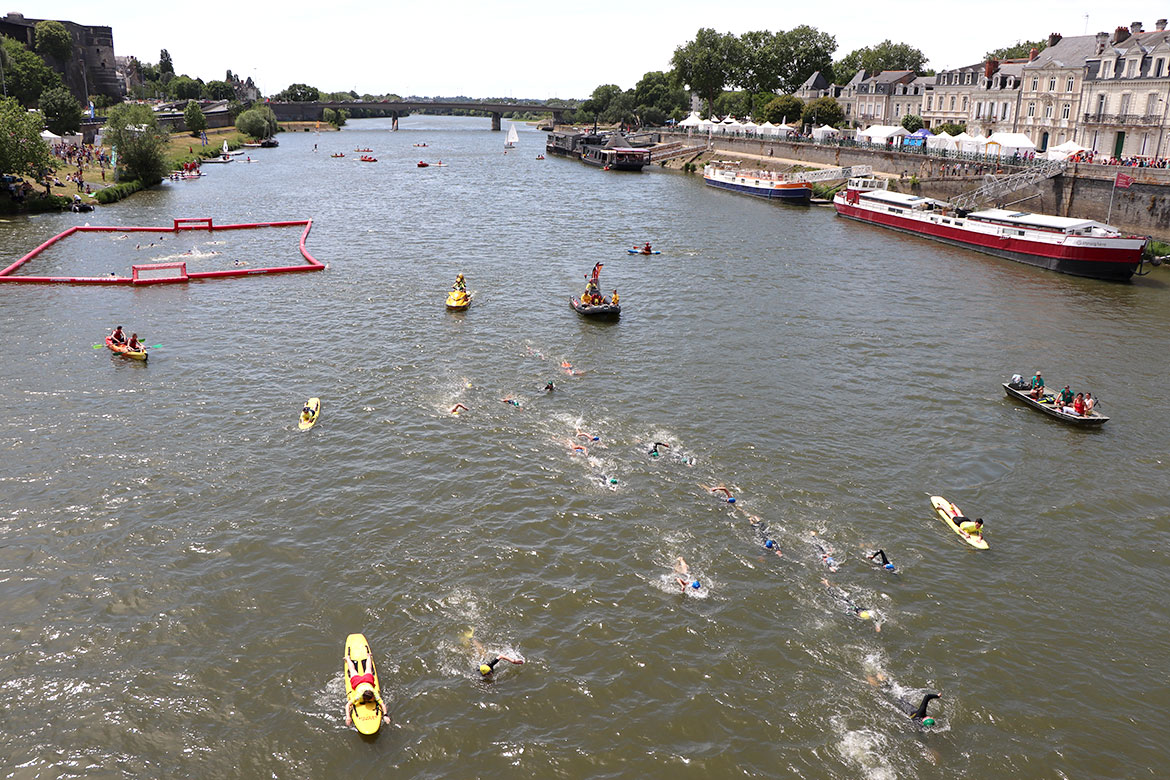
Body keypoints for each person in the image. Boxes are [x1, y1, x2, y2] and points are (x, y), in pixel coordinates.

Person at [344, 655, 391, 727]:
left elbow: (383, 705)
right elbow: (347, 705)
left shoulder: (374, 694)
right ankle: (368, 656)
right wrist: (348, 717)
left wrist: (385, 715)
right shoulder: (359, 696)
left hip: (367, 681)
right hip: (359, 682)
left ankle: (348, 658)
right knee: (365, 669)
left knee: (354, 670)